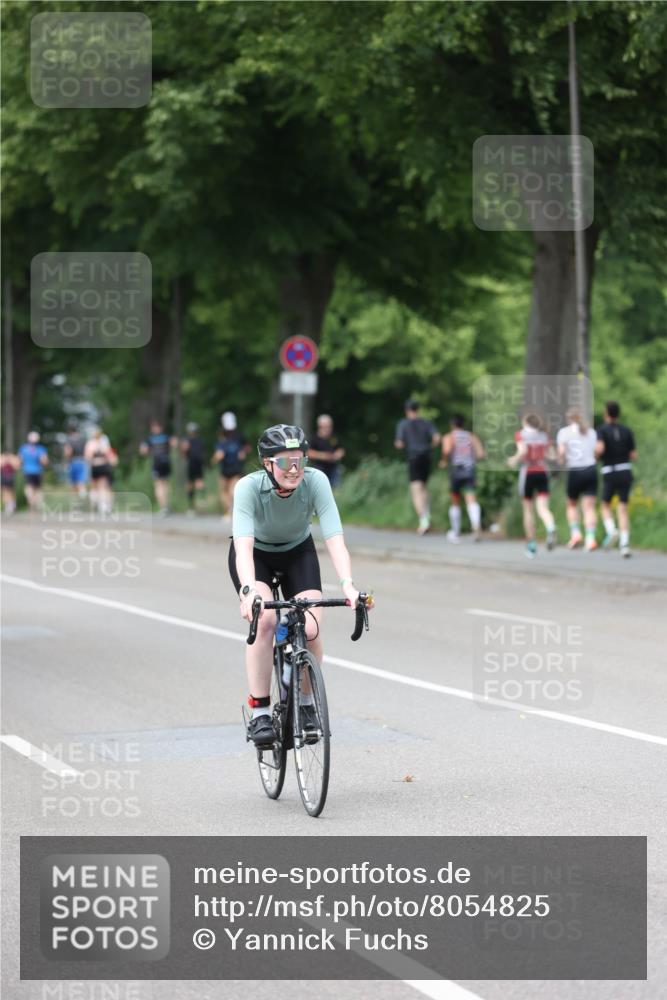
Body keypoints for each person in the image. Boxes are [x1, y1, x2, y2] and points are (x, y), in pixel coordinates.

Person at [230, 424, 364, 746]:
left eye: (299, 460)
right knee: (265, 620)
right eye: (284, 461)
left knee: (312, 627)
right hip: (257, 556)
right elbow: (243, 547)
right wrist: (248, 591)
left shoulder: (316, 481)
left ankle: (305, 703)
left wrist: (348, 585)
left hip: (297, 552)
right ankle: (260, 711)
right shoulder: (247, 487)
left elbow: (334, 538)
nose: (294, 469)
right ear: (267, 463)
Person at [507, 413, 557, 559]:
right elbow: (552, 455)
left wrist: (514, 459)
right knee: (543, 508)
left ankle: (531, 545)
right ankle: (551, 527)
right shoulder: (544, 436)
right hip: (542, 471)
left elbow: (522, 451)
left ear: (525, 422)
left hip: (528, 472)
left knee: (528, 510)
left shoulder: (521, 434)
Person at [595, 401, 636, 558]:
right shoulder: (627, 430)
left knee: (605, 505)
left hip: (610, 471)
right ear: (618, 413)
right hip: (625, 470)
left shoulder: (601, 430)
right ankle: (624, 544)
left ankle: (612, 530)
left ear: (606, 413)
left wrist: (596, 456)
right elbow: (633, 455)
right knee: (623, 508)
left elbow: (600, 449)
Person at [394, 399, 440, 535]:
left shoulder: (403, 424)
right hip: (426, 457)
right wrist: (429, 447)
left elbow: (399, 443)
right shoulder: (427, 423)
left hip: (413, 457)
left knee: (416, 489)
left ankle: (423, 520)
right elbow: (437, 438)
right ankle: (427, 515)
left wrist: (406, 445)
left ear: (406, 410)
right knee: (424, 487)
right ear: (418, 409)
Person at [556, 408, 599, 551]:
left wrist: (560, 461)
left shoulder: (564, 433)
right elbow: (596, 452)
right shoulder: (591, 432)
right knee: (589, 507)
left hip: (575, 470)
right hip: (591, 469)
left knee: (572, 504)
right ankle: (590, 538)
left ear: (569, 418)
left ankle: (575, 533)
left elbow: (562, 453)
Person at [439, 414, 485, 542]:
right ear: (463, 424)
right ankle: (476, 525)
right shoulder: (471, 436)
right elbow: (481, 454)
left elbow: (447, 450)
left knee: (455, 500)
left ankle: (456, 531)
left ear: (452, 424)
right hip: (469, 470)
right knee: (471, 499)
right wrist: (470, 458)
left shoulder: (449, 436)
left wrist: (443, 460)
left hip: (456, 471)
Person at [212, 411, 249, 521]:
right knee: (232, 490)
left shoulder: (223, 438)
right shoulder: (239, 435)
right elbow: (247, 447)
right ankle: (234, 510)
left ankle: (228, 511)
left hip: (227, 468)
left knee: (225, 491)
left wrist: (213, 461)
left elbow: (219, 455)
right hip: (235, 467)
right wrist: (243, 452)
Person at [139, 420, 176, 515]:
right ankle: (166, 505)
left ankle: (163, 507)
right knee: (165, 484)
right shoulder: (166, 437)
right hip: (166, 461)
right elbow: (174, 444)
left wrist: (146, 452)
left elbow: (143, 451)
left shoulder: (150, 439)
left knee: (159, 485)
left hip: (157, 463)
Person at [308, 414, 345, 488]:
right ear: (320, 426)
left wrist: (337, 455)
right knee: (320, 487)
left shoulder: (334, 436)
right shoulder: (314, 438)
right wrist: (324, 456)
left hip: (333, 467)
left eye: (329, 426)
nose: (327, 429)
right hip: (320, 467)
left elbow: (341, 449)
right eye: (325, 426)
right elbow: (309, 453)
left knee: (335, 487)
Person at [84, 427, 115, 514]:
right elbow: (109, 455)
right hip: (102, 465)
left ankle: (97, 504)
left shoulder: (90, 443)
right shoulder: (104, 443)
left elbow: (87, 456)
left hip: (95, 466)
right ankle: (103, 505)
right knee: (102, 486)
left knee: (95, 486)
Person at [18, 431, 49, 512]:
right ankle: (36, 504)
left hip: (27, 471)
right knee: (38, 489)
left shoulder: (23, 448)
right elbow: (44, 461)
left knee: (29, 488)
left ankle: (31, 504)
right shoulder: (40, 449)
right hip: (38, 471)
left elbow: (20, 461)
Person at [181, 422, 205, 514]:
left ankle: (192, 505)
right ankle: (201, 500)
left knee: (190, 484)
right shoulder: (200, 440)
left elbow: (184, 451)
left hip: (191, 463)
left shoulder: (187, 440)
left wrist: (184, 453)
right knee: (199, 481)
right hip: (199, 463)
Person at [63, 421, 88, 502]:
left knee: (73, 484)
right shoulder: (82, 438)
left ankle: (75, 503)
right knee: (81, 483)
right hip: (82, 461)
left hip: (73, 462)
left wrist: (66, 462)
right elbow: (87, 451)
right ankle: (83, 500)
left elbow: (68, 452)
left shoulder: (69, 439)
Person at [1, 450, 20, 515]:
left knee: (10, 491)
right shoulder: (2, 458)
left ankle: (11, 505)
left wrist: (10, 462)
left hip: (10, 476)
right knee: (4, 491)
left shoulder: (13, 458)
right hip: (3, 476)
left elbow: (16, 467)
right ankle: (8, 505)